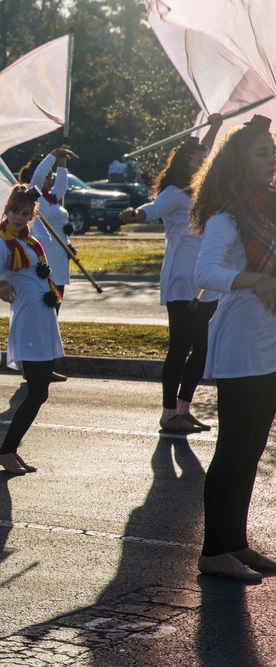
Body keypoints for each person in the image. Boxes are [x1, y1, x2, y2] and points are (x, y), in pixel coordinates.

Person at [190, 114, 276, 582]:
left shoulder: (269, 207)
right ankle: (212, 552)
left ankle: (237, 544)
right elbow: (203, 275)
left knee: (255, 445)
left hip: (272, 337)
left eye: (274, 153)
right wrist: (255, 279)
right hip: (242, 337)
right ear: (239, 162)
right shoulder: (226, 214)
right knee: (234, 445)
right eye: (261, 154)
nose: (271, 161)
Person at [120, 114, 224, 433]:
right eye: (198, 159)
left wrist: (216, 126)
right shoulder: (174, 193)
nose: (204, 163)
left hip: (205, 280)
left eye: (206, 159)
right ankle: (168, 414)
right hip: (182, 280)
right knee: (180, 347)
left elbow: (205, 148)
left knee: (202, 349)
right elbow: (151, 209)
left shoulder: (202, 194)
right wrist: (134, 213)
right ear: (185, 161)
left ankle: (183, 408)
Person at [0, 185, 63, 475]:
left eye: (25, 213)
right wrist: (0, 284)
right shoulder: (0, 244)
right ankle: (6, 451)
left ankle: (9, 450)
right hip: (28, 323)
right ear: (6, 211)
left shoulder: (31, 241)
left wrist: (35, 196)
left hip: (43, 321)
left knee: (39, 392)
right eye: (15, 211)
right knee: (37, 391)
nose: (19, 217)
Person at [19, 146, 77, 381]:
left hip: (59, 265)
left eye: (53, 175)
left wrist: (62, 163)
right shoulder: (35, 196)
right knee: (41, 317)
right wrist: (53, 155)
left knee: (53, 319)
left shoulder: (53, 199)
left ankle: (46, 366)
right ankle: (30, 366)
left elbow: (61, 185)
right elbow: (39, 177)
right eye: (49, 175)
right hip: (44, 266)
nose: (51, 178)